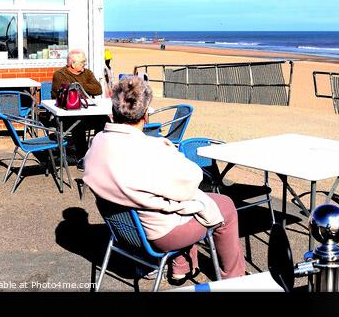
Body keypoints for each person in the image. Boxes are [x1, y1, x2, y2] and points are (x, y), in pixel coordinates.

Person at [83, 76, 245, 284]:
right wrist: (169, 150)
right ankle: (234, 277)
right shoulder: (152, 149)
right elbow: (192, 179)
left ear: (113, 110)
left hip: (125, 230)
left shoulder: (98, 142)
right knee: (225, 206)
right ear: (145, 115)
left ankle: (182, 267)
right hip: (159, 235)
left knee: (174, 200)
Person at [51, 49, 106, 169]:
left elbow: (98, 89)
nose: (84, 64)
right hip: (66, 115)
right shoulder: (59, 74)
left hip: (87, 111)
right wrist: (81, 87)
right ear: (72, 64)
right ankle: (83, 157)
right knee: (78, 124)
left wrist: (77, 85)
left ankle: (96, 152)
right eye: (82, 62)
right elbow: (62, 92)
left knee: (104, 120)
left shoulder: (88, 73)